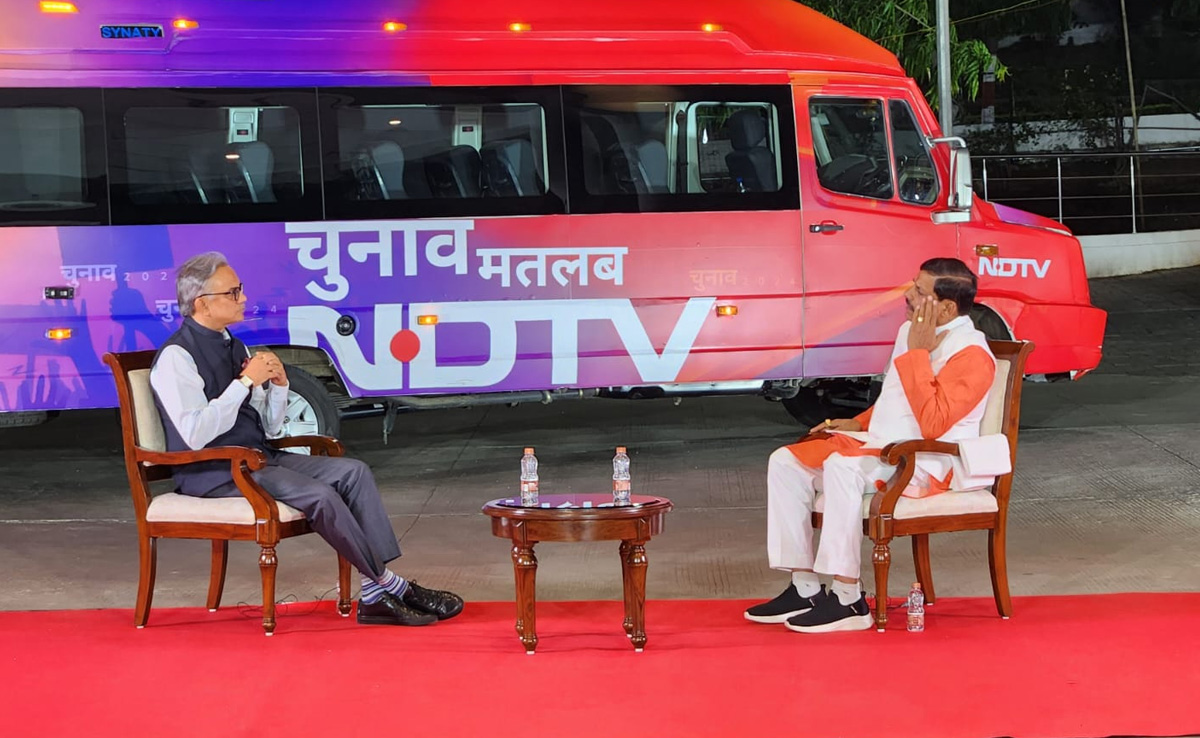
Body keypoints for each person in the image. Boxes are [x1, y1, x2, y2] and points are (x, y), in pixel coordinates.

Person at [150, 251, 463, 627]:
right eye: (233, 292)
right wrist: (245, 382)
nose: (243, 298)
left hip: (256, 457)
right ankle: (390, 586)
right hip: (213, 470)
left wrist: (279, 386)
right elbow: (196, 434)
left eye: (240, 289)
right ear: (202, 303)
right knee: (321, 495)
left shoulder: (236, 346)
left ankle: (374, 589)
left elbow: (269, 428)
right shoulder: (177, 357)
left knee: (354, 473)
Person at [745, 257, 997, 633]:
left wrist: (918, 353)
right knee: (785, 462)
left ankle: (848, 598)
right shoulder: (909, 331)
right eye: (912, 285)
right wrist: (857, 422)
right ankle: (805, 588)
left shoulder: (973, 355)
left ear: (946, 308)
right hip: (880, 444)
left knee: (841, 467)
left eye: (919, 292)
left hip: (926, 459)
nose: (908, 296)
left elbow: (933, 424)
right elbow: (896, 400)